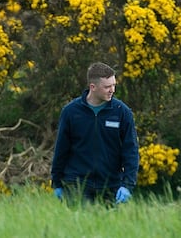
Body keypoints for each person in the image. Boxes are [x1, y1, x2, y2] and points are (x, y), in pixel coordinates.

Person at [51, 62, 139, 205]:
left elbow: (131, 151)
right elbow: (61, 149)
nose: (112, 90)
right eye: (107, 87)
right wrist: (56, 183)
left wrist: (127, 185)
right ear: (93, 87)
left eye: (114, 85)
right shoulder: (71, 112)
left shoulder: (122, 112)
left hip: (110, 186)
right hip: (76, 184)